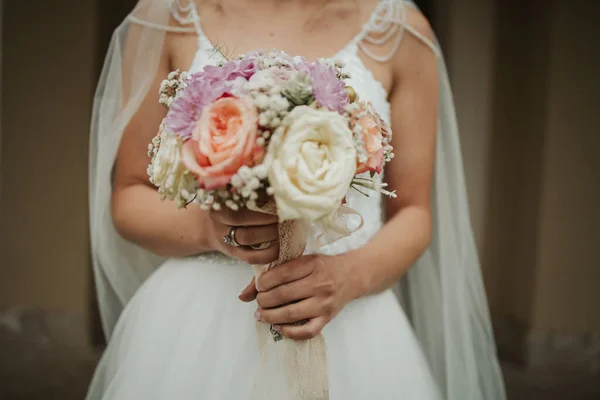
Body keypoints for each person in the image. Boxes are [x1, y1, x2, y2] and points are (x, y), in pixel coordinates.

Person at [86, 0, 507, 398]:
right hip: (197, 324)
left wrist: (347, 277)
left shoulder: (401, 33)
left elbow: (413, 213)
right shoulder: (167, 18)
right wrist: (211, 229)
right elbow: (129, 196)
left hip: (349, 322)